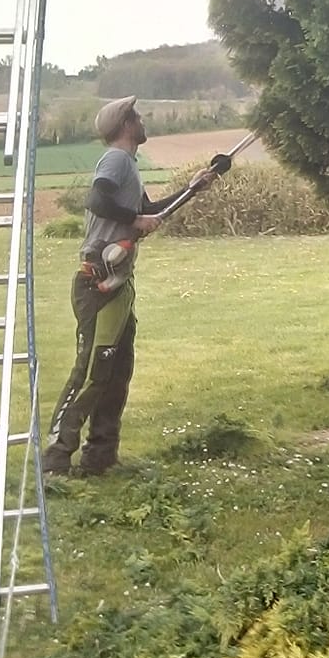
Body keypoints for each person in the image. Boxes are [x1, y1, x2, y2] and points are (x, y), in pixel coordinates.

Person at [42, 95, 216, 477]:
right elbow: (97, 199)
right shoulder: (117, 159)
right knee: (91, 373)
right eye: (137, 116)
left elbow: (150, 214)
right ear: (125, 124)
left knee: (117, 371)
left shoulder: (129, 166)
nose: (143, 120)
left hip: (119, 284)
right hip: (98, 282)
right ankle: (56, 457)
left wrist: (192, 189)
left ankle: (100, 458)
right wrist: (133, 220)